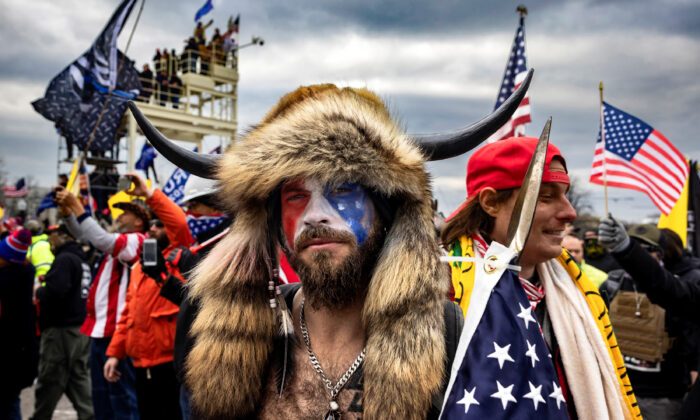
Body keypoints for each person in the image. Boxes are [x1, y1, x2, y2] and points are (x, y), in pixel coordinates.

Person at [126, 81, 547, 418]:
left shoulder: (451, 334)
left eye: (342, 189)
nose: (315, 215)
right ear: (272, 222)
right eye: (294, 196)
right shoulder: (231, 337)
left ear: (386, 211)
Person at [440, 137, 640, 418]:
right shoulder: (437, 290)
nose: (569, 213)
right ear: (490, 202)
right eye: (546, 197)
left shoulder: (582, 294)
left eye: (565, 194)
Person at [103, 174, 193, 420]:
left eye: (159, 224)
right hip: (141, 365)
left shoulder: (177, 255)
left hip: (169, 365)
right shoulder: (138, 267)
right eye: (152, 224)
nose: (154, 227)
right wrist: (114, 353)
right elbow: (128, 313)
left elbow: (178, 223)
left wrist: (149, 194)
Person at [55, 187, 145, 420]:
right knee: (101, 399)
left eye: (125, 213)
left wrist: (77, 206)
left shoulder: (138, 240)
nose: (118, 217)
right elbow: (86, 236)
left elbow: (99, 238)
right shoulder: (118, 242)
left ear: (139, 221)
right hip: (101, 330)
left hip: (118, 332)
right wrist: (67, 214)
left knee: (121, 399)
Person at [598, 221, 700, 419]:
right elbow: (668, 289)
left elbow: (690, 335)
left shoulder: (688, 278)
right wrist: (627, 250)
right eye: (638, 250)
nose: (642, 254)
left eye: (647, 250)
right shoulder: (612, 284)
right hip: (622, 387)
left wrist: (693, 367)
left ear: (662, 254)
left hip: (662, 395)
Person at [30, 224, 93, 420]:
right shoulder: (79, 260)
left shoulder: (65, 259)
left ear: (64, 236)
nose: (49, 239)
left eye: (52, 235)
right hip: (78, 330)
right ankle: (90, 415)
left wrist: (38, 291)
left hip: (61, 331)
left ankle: (40, 416)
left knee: (51, 376)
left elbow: (56, 291)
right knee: (77, 378)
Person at [0, 229, 38, 419]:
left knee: (7, 407)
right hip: (19, 359)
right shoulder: (21, 276)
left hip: (7, 359)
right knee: (10, 403)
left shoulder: (7, 284)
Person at [25, 219, 55, 284]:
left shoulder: (39, 245)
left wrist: (40, 288)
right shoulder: (45, 242)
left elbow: (44, 269)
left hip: (40, 287)